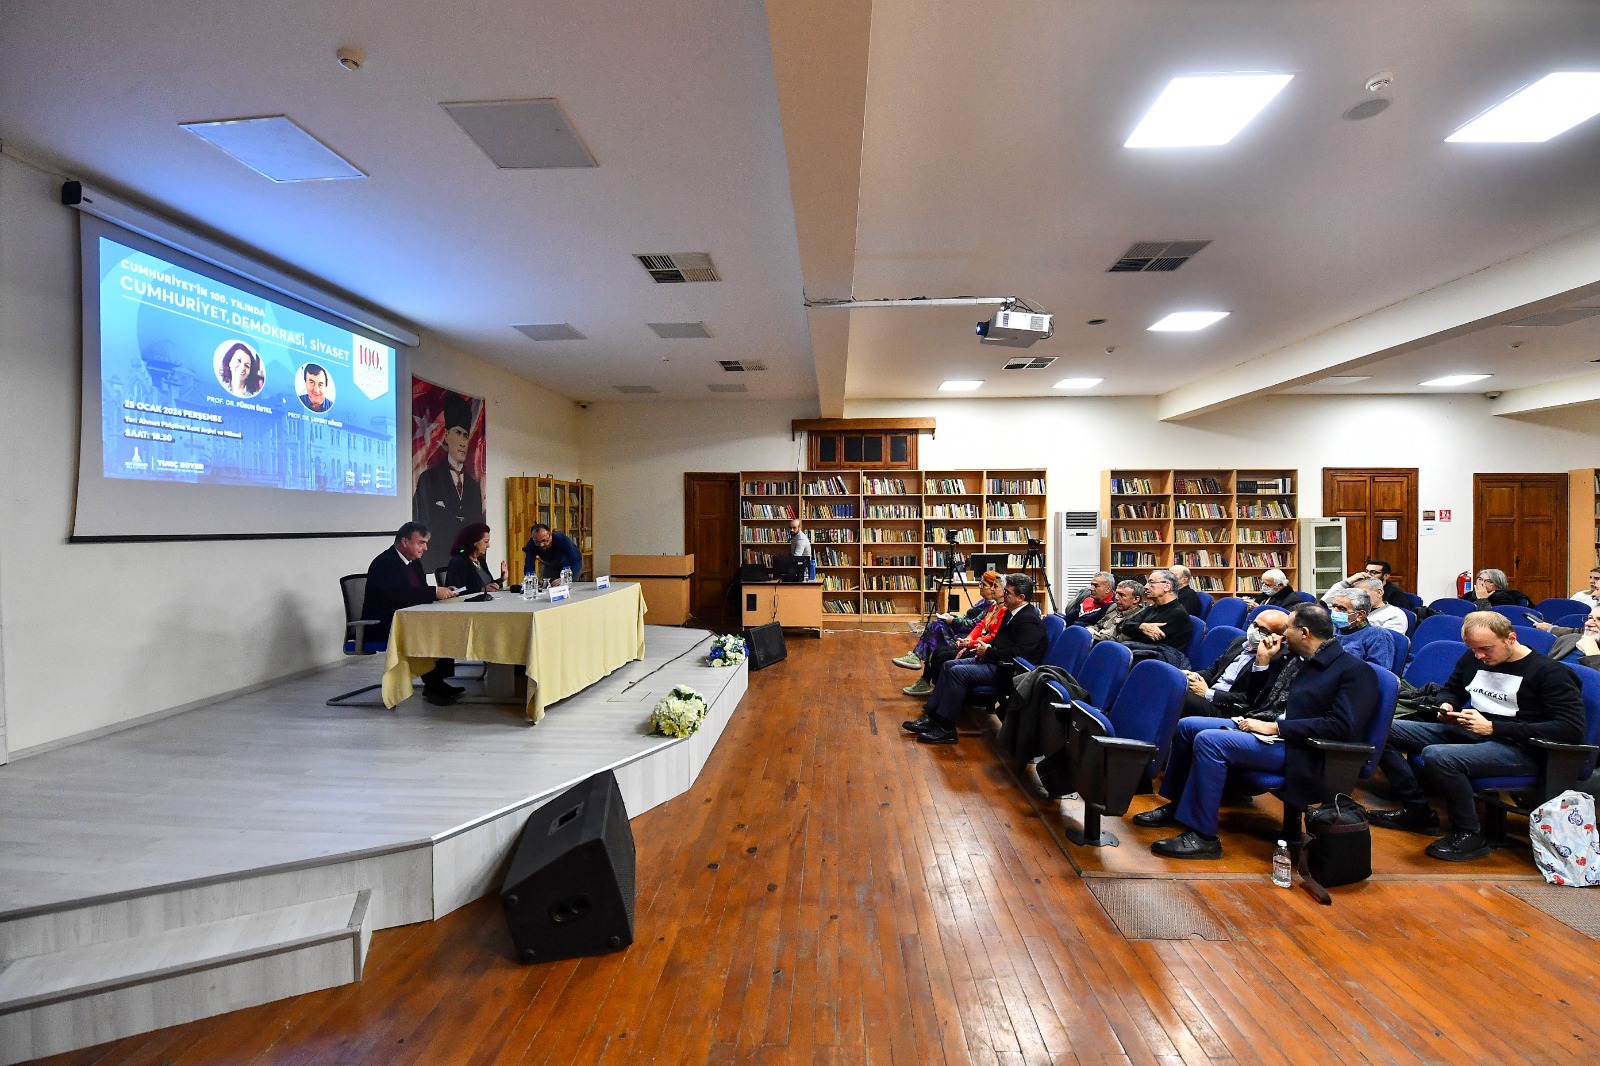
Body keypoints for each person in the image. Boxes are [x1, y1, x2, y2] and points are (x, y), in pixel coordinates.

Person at [1140, 602, 1379, 859]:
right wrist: (1263, 663)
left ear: (1305, 633)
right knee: (1188, 727)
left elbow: (1341, 726)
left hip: (1301, 749)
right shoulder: (1292, 657)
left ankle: (1203, 836)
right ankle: (1177, 806)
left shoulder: (1353, 670)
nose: (1281, 634)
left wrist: (1277, 726)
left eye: (1287, 628)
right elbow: (1254, 702)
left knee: (1211, 741)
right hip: (1264, 729)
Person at [1371, 611, 1585, 861]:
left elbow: (1570, 728)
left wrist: (1495, 728)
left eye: (1485, 649)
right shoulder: (1474, 657)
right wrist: (1447, 706)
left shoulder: (1549, 673)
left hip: (1520, 747)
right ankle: (1417, 809)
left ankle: (1470, 835)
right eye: (1474, 649)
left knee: (1438, 756)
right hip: (1471, 731)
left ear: (1511, 638)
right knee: (1382, 729)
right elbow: (1450, 690)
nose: (1480, 656)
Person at [902, 574, 1048, 745]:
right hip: (994, 661)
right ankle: (932, 717)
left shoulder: (1029, 620)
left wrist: (989, 651)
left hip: (1007, 671)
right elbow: (1000, 640)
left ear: (1021, 598)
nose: (1004, 595)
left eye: (1008, 592)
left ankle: (947, 729)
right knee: (948, 665)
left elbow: (1021, 654)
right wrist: (985, 647)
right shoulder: (1012, 613)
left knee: (956, 672)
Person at [360, 523, 461, 705]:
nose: (425, 548)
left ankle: (438, 682)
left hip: (408, 619)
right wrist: (433, 592)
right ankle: (433, 686)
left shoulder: (413, 562)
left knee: (444, 626)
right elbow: (397, 595)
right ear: (405, 542)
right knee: (429, 632)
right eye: (421, 542)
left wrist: (441, 592)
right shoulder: (385, 563)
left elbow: (419, 590)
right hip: (383, 624)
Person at [903, 573, 1006, 697]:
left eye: (985, 585)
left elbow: (975, 625)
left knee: (937, 630)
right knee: (937, 632)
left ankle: (920, 665)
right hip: (971, 637)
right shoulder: (991, 605)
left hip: (974, 642)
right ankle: (923, 671)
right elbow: (978, 625)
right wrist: (959, 624)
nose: (980, 587)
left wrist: (956, 624)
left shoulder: (998, 608)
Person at [412, 392, 484, 569]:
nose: (462, 442)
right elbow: (423, 523)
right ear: (446, 436)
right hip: (438, 562)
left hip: (466, 564)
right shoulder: (429, 479)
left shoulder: (474, 488)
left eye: (466, 436)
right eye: (458, 433)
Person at [1179, 608, 1294, 718]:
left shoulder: (1278, 659)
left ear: (1279, 638)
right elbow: (1214, 671)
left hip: (1226, 708)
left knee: (1176, 694)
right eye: (1254, 624)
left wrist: (1208, 693)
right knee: (1173, 681)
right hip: (1207, 694)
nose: (1254, 631)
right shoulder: (1239, 641)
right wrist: (1192, 676)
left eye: (1263, 630)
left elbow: (1250, 699)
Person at [894, 570, 1000, 671]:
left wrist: (953, 620)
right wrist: (951, 616)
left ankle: (917, 658)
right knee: (937, 625)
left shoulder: (991, 605)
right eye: (980, 583)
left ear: (992, 588)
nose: (980, 586)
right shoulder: (983, 601)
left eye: (984, 585)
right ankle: (916, 659)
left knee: (936, 627)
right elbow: (967, 617)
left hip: (966, 635)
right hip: (966, 633)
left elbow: (973, 624)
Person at [1118, 569, 1193, 653]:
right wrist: (1141, 626)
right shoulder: (1153, 607)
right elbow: (1124, 626)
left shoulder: (1177, 614)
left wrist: (1136, 628)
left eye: (1151, 582)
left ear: (1167, 586)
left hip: (1157, 661)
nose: (1146, 586)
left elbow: (1142, 638)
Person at [1327, 587, 1396, 671]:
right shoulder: (1330, 628)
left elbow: (1377, 673)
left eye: (1342, 608)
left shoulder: (1378, 636)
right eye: (1334, 606)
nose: (1335, 611)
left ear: (1360, 615)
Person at [445, 522, 507, 594]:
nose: (488, 546)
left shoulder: (481, 560)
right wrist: (481, 590)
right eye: (486, 542)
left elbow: (488, 585)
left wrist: (501, 579)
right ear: (474, 542)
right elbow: (456, 590)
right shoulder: (458, 562)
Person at [1462, 568, 1529, 608]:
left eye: (1488, 581)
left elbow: (1492, 622)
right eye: (1480, 579)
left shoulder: (1503, 599)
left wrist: (1482, 600)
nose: (1482, 583)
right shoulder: (1468, 595)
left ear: (1497, 585)